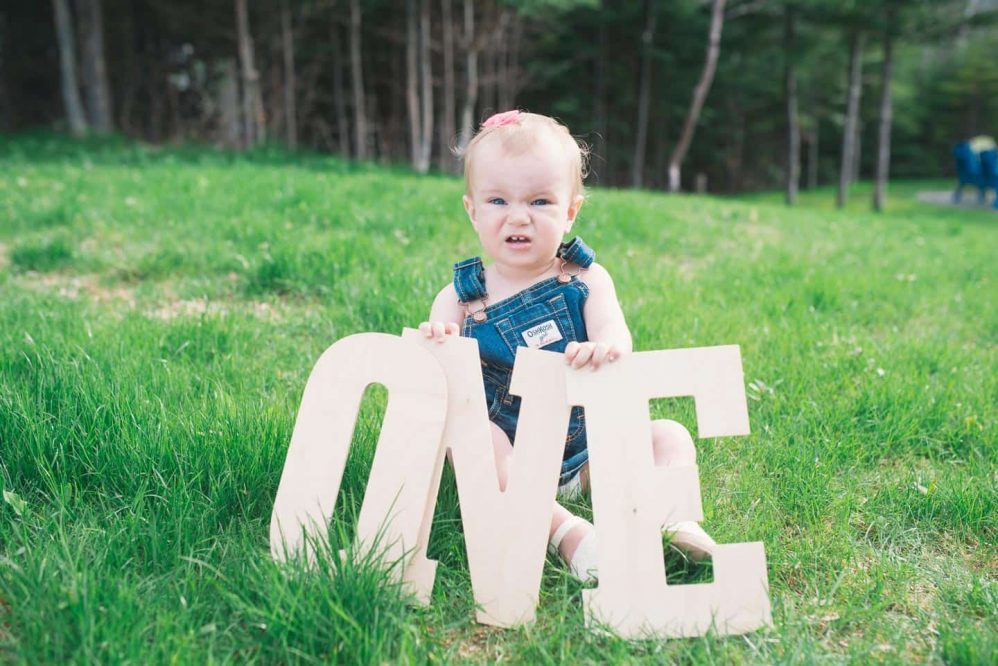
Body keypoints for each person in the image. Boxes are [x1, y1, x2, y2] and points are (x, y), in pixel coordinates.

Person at [418, 110, 714, 582]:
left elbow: (617, 336)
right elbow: (437, 374)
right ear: (473, 211)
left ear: (570, 210)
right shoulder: (460, 297)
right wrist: (442, 341)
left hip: (587, 453)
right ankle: (568, 534)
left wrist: (606, 348)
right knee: (472, 440)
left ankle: (674, 517)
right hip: (511, 458)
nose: (519, 216)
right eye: (498, 200)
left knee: (669, 435)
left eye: (539, 201)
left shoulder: (585, 280)